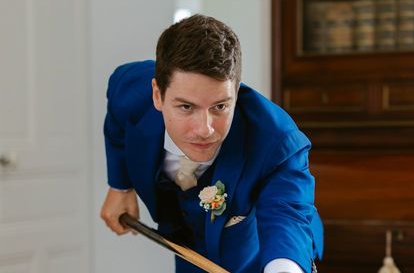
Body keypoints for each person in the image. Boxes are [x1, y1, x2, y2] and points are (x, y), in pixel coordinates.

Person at [100, 14, 323, 273]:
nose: (205, 129)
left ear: (236, 94)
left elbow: (287, 214)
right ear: (157, 95)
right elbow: (116, 120)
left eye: (220, 106)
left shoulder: (276, 140)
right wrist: (120, 186)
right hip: (184, 242)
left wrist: (285, 268)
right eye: (186, 106)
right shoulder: (129, 90)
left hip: (254, 251)